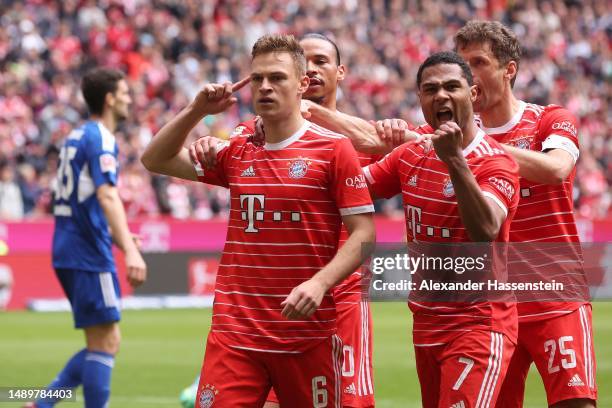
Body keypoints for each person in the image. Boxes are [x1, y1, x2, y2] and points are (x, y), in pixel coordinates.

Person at [141, 34, 375, 407]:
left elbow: (365, 234)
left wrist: (320, 282)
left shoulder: (334, 150)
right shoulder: (238, 149)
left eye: (277, 78)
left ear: (301, 84)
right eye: (257, 78)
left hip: (305, 334)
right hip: (235, 335)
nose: (265, 86)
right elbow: (155, 159)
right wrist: (196, 111)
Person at [364, 51, 520, 407]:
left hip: (479, 322)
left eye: (452, 86)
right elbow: (353, 185)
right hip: (426, 322)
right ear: (420, 99)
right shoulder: (411, 153)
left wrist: (455, 161)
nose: (441, 96)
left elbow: (486, 229)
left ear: (473, 95)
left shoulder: (498, 161)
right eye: (430, 89)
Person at [454, 20, 596, 408]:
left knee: (575, 403)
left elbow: (556, 169)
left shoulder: (549, 118)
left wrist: (475, 147)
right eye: (463, 66)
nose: (470, 76)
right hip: (493, 307)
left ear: (509, 69)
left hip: (555, 295)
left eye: (479, 62)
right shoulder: (456, 138)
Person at [32, 68, 147, 408]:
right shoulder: (101, 138)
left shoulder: (75, 137)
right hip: (87, 253)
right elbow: (106, 196)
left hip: (69, 246)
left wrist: (122, 235)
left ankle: (41, 404)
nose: (130, 98)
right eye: (125, 92)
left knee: (105, 340)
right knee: (106, 342)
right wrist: (129, 250)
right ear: (110, 99)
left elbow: (82, 202)